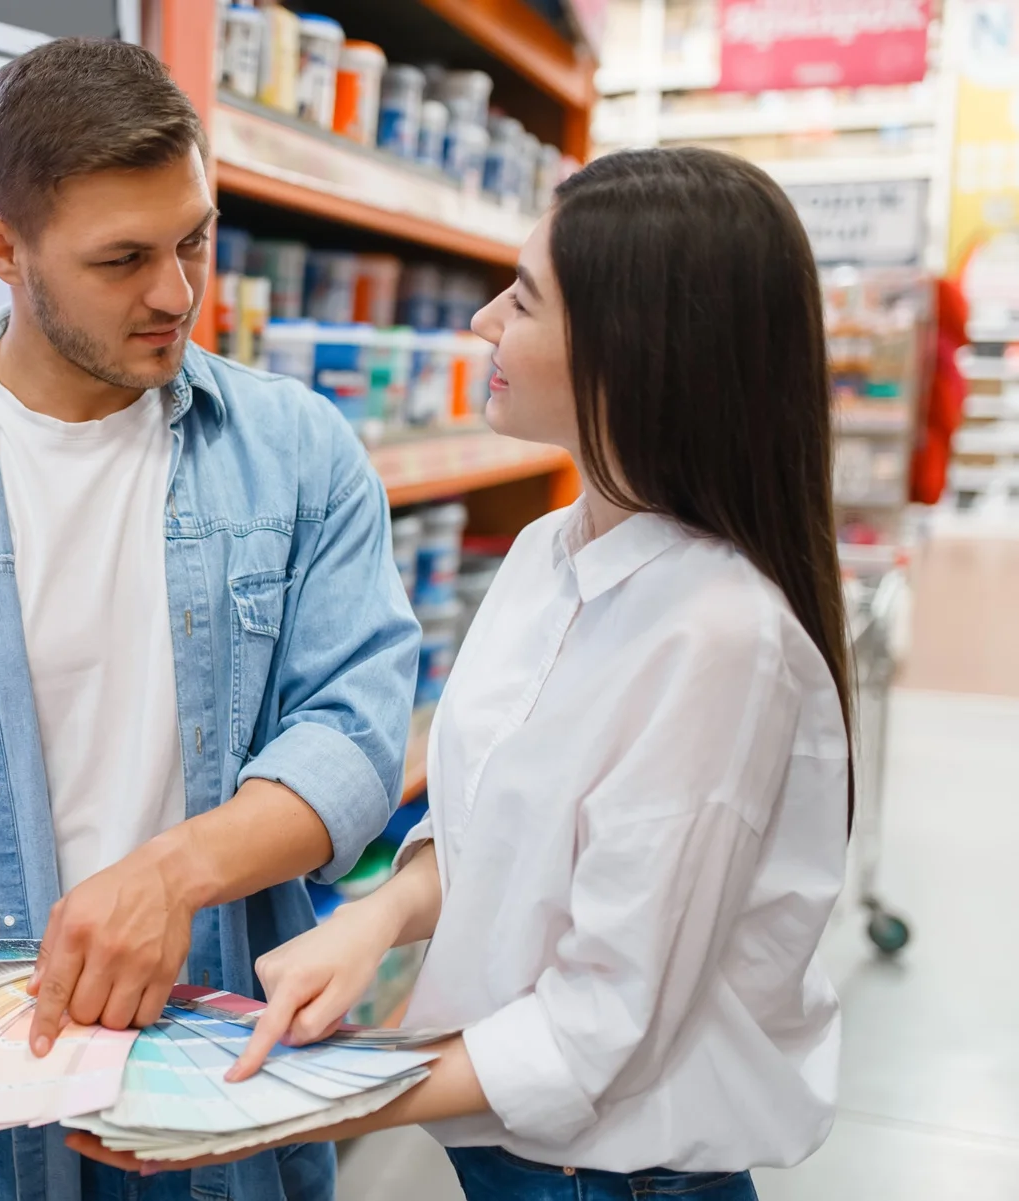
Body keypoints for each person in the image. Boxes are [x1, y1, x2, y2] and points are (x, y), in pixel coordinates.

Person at [73, 147, 854, 1201]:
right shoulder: (547, 555)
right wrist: (378, 916)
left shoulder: (719, 644)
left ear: (635, 350)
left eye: (525, 300)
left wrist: (287, 1102)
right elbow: (499, 831)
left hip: (615, 1179)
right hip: (512, 1161)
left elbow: (595, 1028)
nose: (485, 322)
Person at [0, 37, 421, 1201]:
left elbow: (358, 730)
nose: (175, 292)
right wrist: (21, 995)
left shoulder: (297, 455)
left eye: (193, 240)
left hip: (237, 1080)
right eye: (123, 258)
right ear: (2, 251)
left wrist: (167, 879)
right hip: (5, 1112)